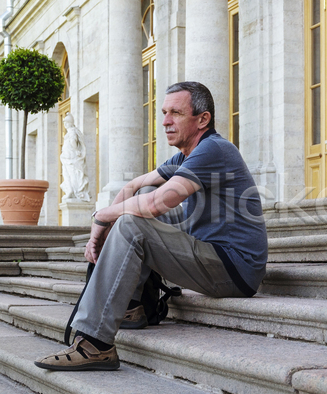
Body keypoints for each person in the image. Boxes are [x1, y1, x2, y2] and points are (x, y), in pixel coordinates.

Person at [35, 81, 268, 371]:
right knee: (139, 200)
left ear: (203, 119)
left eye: (176, 114)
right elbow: (134, 186)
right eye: (164, 112)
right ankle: (133, 307)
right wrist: (104, 223)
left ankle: (95, 344)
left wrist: (103, 216)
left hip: (235, 268)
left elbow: (159, 204)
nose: (166, 121)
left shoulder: (215, 150)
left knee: (134, 222)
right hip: (211, 254)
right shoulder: (186, 154)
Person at [60, 113, 91, 202]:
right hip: (67, 157)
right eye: (64, 122)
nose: (65, 124)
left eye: (66, 122)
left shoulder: (72, 131)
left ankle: (75, 191)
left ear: (70, 123)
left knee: (72, 174)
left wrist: (76, 149)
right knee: (67, 174)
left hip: (71, 157)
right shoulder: (71, 131)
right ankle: (70, 190)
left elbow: (73, 141)